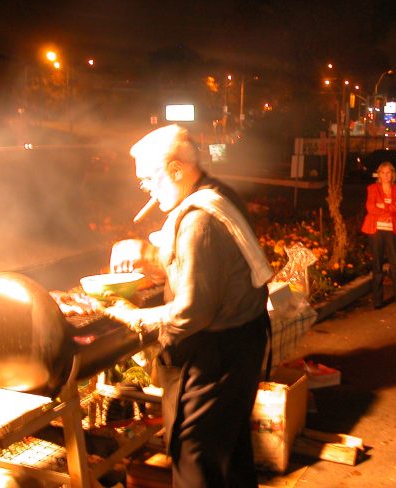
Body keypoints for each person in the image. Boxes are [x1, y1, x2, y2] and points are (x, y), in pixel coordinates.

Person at [107, 124, 273, 487]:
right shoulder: (216, 192)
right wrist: (150, 258)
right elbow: (208, 267)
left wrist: (134, 318)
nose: (145, 188)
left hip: (220, 353)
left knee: (193, 451)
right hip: (243, 341)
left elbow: (192, 313)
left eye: (148, 179)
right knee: (231, 452)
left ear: (176, 169)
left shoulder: (200, 221)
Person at [360, 161, 396, 312]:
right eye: (382, 172)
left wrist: (383, 206)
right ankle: (378, 301)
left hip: (392, 231)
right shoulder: (372, 188)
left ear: (392, 174)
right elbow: (371, 208)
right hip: (376, 231)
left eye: (388, 172)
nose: (385, 175)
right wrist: (391, 210)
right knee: (377, 266)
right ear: (379, 174)